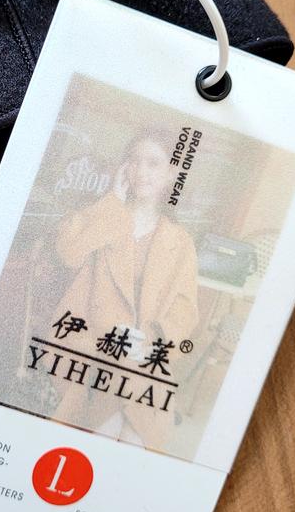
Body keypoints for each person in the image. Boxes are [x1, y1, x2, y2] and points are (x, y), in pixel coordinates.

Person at [50, 129, 200, 449]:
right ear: (123, 168)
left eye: (153, 163)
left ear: (171, 174)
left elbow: (184, 310)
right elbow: (68, 253)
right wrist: (112, 203)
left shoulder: (179, 241)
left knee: (134, 429)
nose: (141, 171)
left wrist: (150, 341)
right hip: (88, 339)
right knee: (117, 421)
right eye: (134, 161)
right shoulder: (104, 215)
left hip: (143, 350)